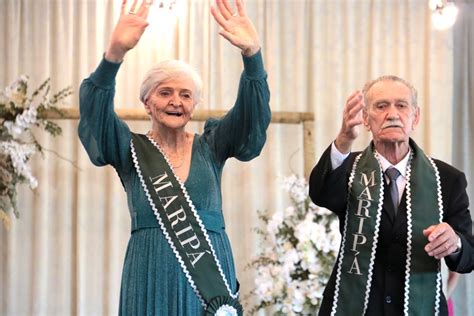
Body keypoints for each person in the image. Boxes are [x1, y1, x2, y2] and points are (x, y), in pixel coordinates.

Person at [78, 0, 270, 314]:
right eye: (165, 92)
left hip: (209, 274)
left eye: (185, 94)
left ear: (194, 104)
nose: (175, 101)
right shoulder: (129, 149)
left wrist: (252, 55)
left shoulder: (212, 144)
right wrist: (114, 54)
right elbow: (95, 116)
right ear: (147, 102)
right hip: (150, 270)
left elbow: (252, 119)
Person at [309, 75, 474, 315]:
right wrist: (343, 140)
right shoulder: (348, 168)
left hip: (420, 307)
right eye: (381, 106)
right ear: (366, 119)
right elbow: (320, 194)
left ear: (415, 117)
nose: (393, 114)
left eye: (402, 105)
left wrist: (455, 243)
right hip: (355, 306)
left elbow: (468, 255)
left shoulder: (447, 179)